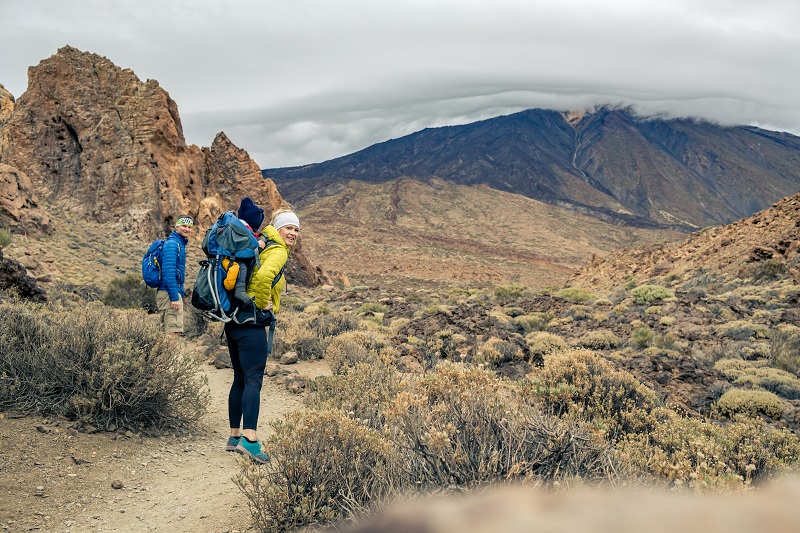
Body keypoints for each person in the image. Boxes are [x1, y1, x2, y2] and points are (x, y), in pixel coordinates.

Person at [226, 205, 300, 463]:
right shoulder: (278, 250)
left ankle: (234, 437)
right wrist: (260, 303)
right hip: (252, 324)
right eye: (289, 227)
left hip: (234, 322)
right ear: (279, 228)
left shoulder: (262, 243)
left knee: (239, 379)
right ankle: (250, 441)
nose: (293, 233)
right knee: (253, 380)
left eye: (296, 229)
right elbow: (265, 276)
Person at [156, 215, 192, 335]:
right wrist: (175, 297)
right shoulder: (172, 244)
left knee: (166, 333)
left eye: (189, 227)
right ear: (177, 226)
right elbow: (168, 273)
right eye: (184, 226)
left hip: (170, 292)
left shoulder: (178, 243)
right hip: (169, 293)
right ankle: (170, 354)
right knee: (172, 333)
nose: (187, 229)